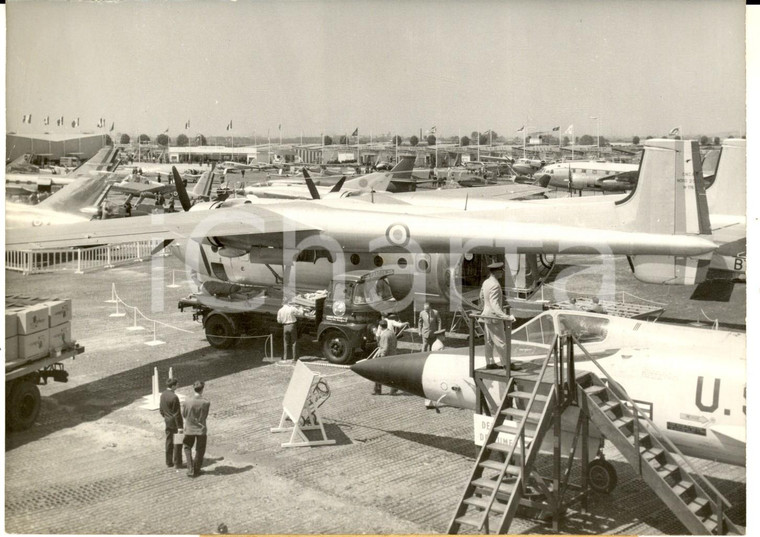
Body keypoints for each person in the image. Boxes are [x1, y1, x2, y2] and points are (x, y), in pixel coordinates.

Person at [480, 261, 516, 372]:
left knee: (489, 341)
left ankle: (490, 363)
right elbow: (495, 304)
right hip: (494, 318)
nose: (502, 273)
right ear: (496, 272)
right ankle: (506, 364)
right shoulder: (495, 285)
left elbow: (481, 296)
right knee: (501, 342)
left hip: (487, 315)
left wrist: (485, 309)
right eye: (501, 271)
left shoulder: (486, 282)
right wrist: (505, 316)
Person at [182, 381, 211, 478]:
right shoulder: (206, 402)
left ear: (193, 389)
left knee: (187, 447)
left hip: (189, 428)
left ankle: (190, 469)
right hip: (201, 429)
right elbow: (205, 416)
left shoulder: (187, 401)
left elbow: (184, 415)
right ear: (202, 389)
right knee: (200, 449)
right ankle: (197, 469)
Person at [159, 377, 184, 469]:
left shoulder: (163, 394)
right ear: (173, 386)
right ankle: (178, 462)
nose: (178, 385)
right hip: (175, 423)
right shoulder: (174, 397)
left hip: (168, 421)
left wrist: (166, 417)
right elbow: (177, 414)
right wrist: (180, 427)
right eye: (177, 384)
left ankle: (169, 462)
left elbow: (161, 410)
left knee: (169, 441)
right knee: (178, 442)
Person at [372, 319, 398, 395]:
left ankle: (377, 390)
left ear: (380, 327)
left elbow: (385, 348)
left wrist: (381, 356)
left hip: (385, 357)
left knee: (378, 373)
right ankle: (393, 389)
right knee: (390, 374)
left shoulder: (385, 335)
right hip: (392, 355)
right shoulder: (391, 333)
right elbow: (395, 343)